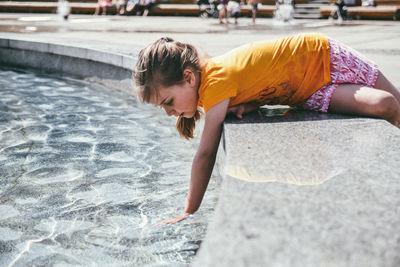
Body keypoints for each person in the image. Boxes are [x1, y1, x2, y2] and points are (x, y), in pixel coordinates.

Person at [133, 33, 400, 225]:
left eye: (168, 102)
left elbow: (205, 155)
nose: (169, 112)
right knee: (385, 105)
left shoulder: (215, 82)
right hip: (309, 92)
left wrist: (188, 212)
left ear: (189, 77)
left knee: (395, 104)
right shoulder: (209, 90)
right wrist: (246, 104)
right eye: (162, 108)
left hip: (325, 57)